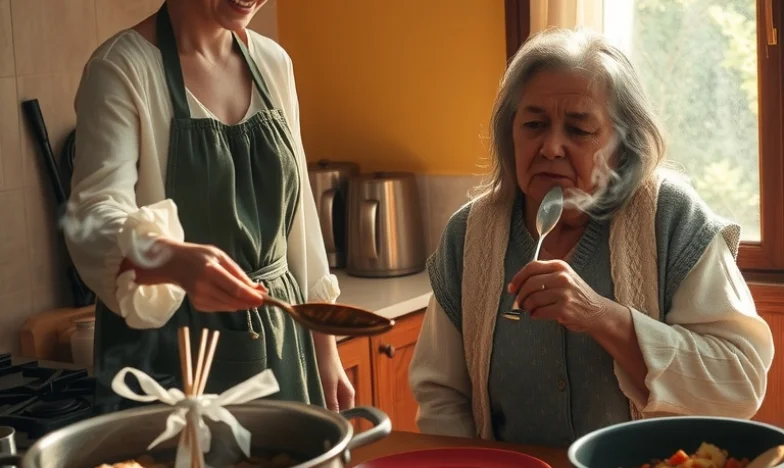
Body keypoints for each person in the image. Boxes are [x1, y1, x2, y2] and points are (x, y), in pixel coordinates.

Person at [408, 28, 774, 447]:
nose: (551, 148)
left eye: (579, 130)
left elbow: (740, 385)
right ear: (510, 134)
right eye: (534, 124)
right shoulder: (470, 235)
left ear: (624, 145)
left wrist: (602, 316)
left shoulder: (671, 218)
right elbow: (441, 396)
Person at [66, 0, 354, 414]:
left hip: (281, 339)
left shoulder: (273, 62)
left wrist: (326, 350)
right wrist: (173, 261)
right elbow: (92, 217)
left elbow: (300, 217)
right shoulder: (121, 69)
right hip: (168, 357)